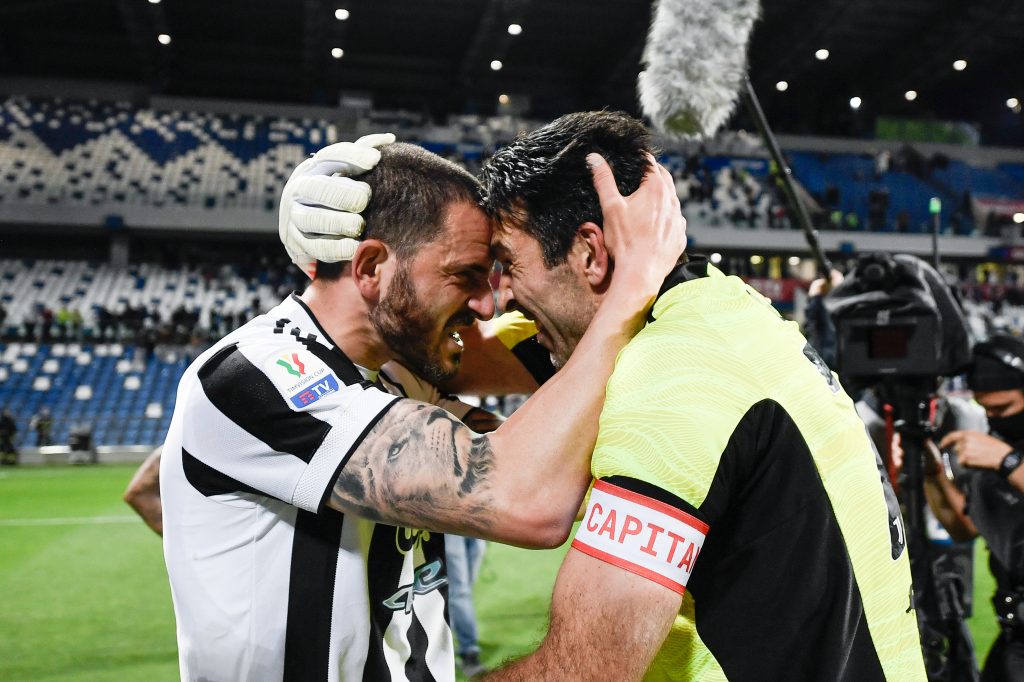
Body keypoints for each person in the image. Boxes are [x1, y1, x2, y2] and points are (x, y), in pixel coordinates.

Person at [161, 137, 685, 681]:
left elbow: (555, 421)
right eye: (464, 275)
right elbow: (529, 498)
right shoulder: (256, 375)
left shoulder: (402, 368)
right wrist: (631, 287)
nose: (486, 306)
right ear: (370, 267)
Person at [468, 111, 925, 680]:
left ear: (589, 253)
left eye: (507, 265)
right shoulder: (720, 309)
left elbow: (584, 669)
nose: (498, 296)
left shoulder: (673, 376)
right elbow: (466, 353)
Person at [923, 334, 1024, 681]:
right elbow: (964, 527)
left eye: (1003, 409)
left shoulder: (1002, 455)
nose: (993, 419)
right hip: (1014, 633)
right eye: (985, 409)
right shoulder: (999, 447)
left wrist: (1009, 462)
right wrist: (932, 472)